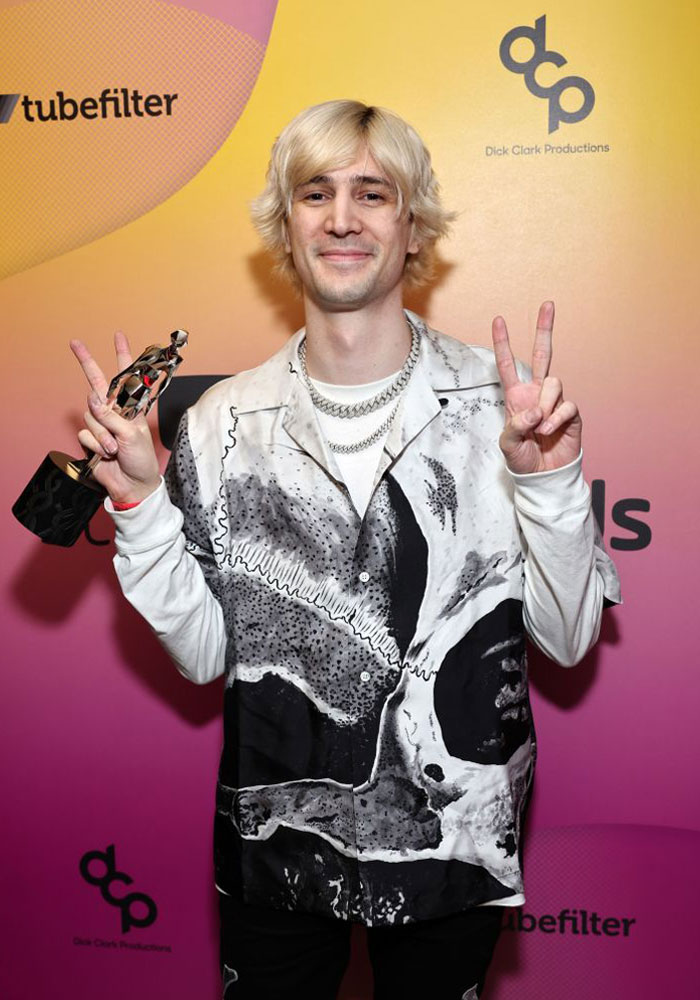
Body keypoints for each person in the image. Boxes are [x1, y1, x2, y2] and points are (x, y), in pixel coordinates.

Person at [71, 100, 621, 1000]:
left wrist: (551, 481)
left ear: (413, 228)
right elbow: (208, 654)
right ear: (286, 226)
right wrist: (137, 501)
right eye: (315, 192)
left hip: (455, 850)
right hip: (274, 846)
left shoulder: (504, 409)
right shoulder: (219, 422)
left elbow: (566, 643)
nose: (342, 217)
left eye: (374, 193)